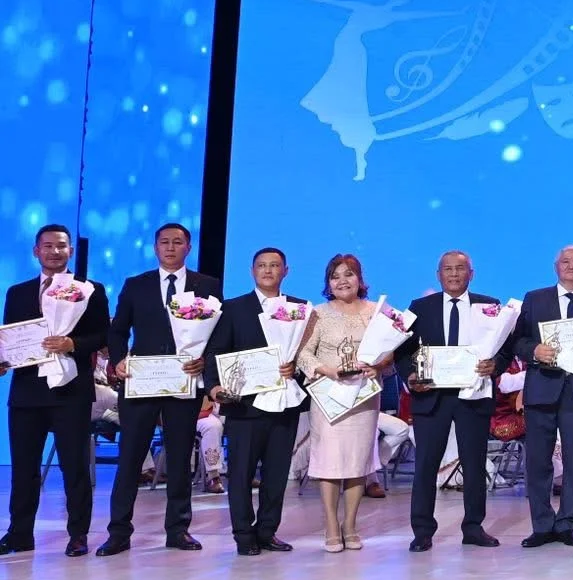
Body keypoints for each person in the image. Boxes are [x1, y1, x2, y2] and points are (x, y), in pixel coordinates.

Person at [99, 222, 223, 557]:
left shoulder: (207, 285)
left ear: (188, 247)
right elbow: (117, 330)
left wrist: (204, 362)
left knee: (180, 457)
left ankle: (178, 529)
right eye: (164, 242)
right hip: (141, 381)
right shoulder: (135, 285)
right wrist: (119, 360)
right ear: (155, 247)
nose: (170, 247)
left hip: (184, 381)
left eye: (177, 242)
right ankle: (118, 532)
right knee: (130, 457)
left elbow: (218, 334)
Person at [1, 224, 111, 557]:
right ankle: (19, 533)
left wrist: (71, 343)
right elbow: (11, 337)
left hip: (71, 391)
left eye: (61, 246)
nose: (54, 251)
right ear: (36, 251)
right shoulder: (17, 292)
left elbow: (103, 335)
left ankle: (78, 534)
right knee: (24, 468)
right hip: (27, 391)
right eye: (47, 246)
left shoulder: (89, 290)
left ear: (70, 251)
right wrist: (4, 360)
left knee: (74, 467)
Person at [397, 250, 511, 552]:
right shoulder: (420, 307)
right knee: (426, 464)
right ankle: (422, 531)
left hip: (473, 396)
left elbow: (506, 346)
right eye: (447, 269)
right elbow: (401, 350)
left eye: (460, 269)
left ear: (471, 274)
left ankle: (473, 527)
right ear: (439, 275)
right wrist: (410, 375)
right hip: (431, 396)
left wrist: (496, 365)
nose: (454, 274)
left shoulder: (489, 306)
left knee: (474, 464)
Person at [202, 247, 309, 556]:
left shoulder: (299, 308)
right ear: (252, 271)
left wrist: (295, 368)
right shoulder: (233, 308)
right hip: (244, 404)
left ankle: (267, 531)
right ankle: (243, 534)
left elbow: (308, 353)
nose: (268, 270)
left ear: (285, 271)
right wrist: (213, 387)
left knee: (277, 473)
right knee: (241, 474)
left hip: (284, 404)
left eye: (274, 265)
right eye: (262, 265)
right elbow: (215, 352)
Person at [512, 245, 573, 548]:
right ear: (556, 267)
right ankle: (542, 525)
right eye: (565, 261)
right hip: (542, 388)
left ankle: (568, 523)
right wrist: (534, 350)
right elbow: (517, 340)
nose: (571, 266)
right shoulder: (535, 298)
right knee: (538, 461)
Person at [296, 254, 389, 554]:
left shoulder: (376, 313)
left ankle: (350, 524)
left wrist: (379, 365)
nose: (342, 281)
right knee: (330, 461)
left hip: (363, 398)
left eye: (348, 274)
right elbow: (302, 354)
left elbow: (390, 352)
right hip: (329, 397)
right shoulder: (318, 314)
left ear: (360, 279)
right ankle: (331, 525)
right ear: (328, 283)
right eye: (335, 276)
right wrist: (328, 370)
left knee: (357, 462)